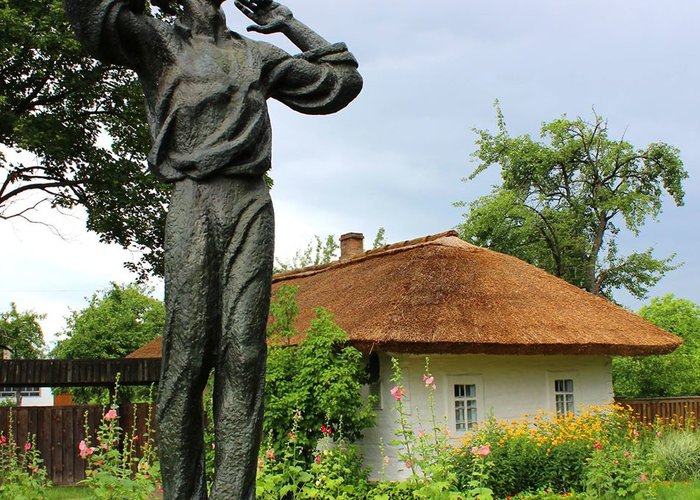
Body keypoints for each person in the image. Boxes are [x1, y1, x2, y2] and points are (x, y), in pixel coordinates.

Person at [62, 0, 362, 498]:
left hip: (250, 201)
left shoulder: (255, 56)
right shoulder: (158, 41)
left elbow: (342, 81)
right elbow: (91, 14)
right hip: (193, 199)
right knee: (188, 356)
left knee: (244, 353)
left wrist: (283, 19)